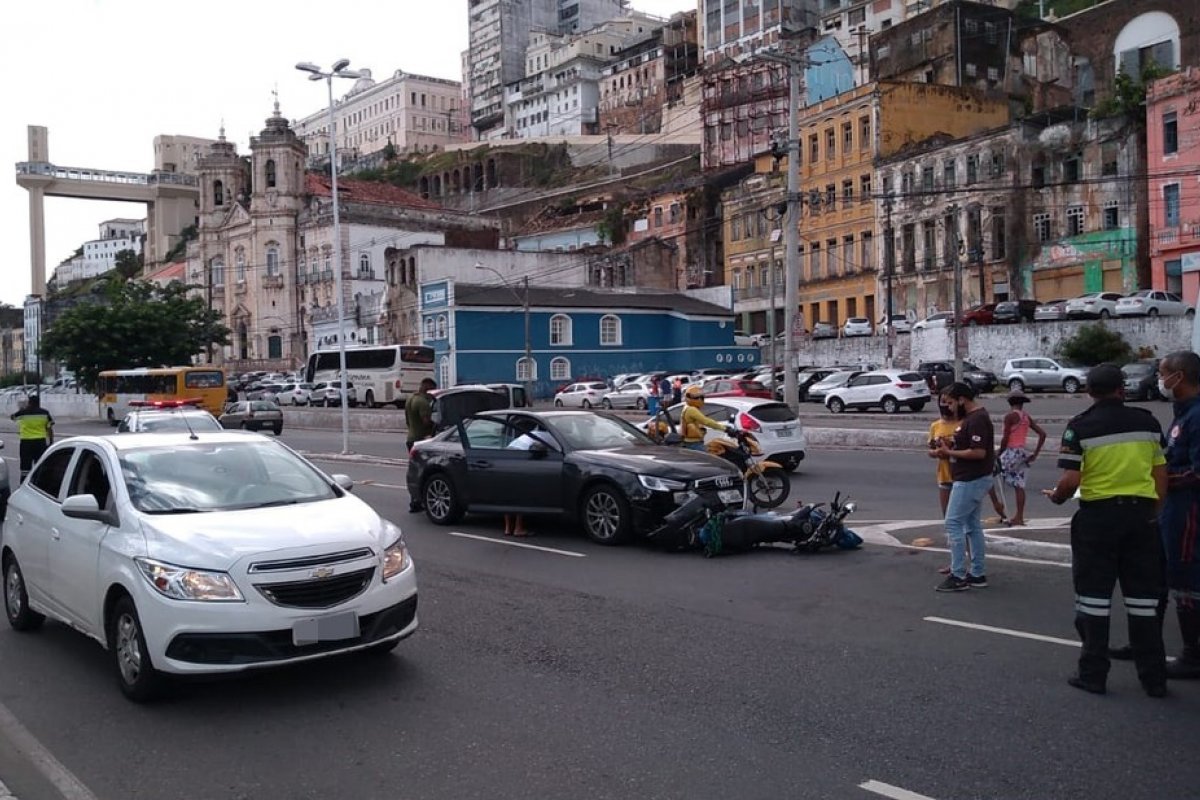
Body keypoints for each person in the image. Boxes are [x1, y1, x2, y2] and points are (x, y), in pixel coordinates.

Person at [1044, 363, 1167, 697]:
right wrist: (1153, 513)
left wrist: (1057, 497)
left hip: (1098, 520)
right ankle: (1154, 679)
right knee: (1144, 601)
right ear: (1121, 389)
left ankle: (1093, 675)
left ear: (1089, 391)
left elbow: (1071, 481)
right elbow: (1160, 476)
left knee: (1093, 599)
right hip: (1141, 519)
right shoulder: (1148, 422)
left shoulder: (1081, 427)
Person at [1154, 351, 1200, 680]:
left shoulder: (1197, 416)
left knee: (1185, 577)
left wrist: (1163, 480)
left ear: (1178, 377)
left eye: (1162, 373)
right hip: (1173, 508)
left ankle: (1192, 653)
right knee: (1166, 571)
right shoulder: (1182, 412)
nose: (1160, 380)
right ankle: (1147, 640)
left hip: (1189, 510)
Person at [931, 382, 995, 592]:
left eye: (950, 402)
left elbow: (978, 453)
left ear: (961, 399)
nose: (948, 407)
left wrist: (950, 453)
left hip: (970, 479)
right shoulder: (971, 419)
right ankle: (977, 573)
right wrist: (948, 448)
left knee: (953, 523)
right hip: (971, 477)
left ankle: (958, 575)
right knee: (972, 526)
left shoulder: (976, 419)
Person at [997, 389, 1047, 527]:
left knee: (990, 474)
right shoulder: (1025, 417)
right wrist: (1035, 454)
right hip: (1022, 452)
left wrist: (998, 453)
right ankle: (1019, 516)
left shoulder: (1010, 417)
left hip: (1011, 451)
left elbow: (1006, 438)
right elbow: (1042, 434)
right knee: (1019, 485)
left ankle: (999, 509)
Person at [11, 394, 54, 482]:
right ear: (39, 403)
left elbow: (12, 417)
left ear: (29, 403)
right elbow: (49, 428)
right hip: (40, 442)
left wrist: (22, 409)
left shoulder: (23, 413)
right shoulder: (45, 413)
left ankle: (23, 483)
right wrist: (51, 442)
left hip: (26, 442)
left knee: (25, 467)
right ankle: (38, 483)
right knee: (39, 465)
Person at [680, 385, 734, 451]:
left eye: (701, 397)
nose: (700, 399)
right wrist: (724, 428)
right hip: (693, 444)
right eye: (696, 397)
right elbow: (706, 421)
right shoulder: (691, 409)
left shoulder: (687, 407)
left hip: (692, 442)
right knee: (713, 457)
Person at [404, 378, 437, 450]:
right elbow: (426, 422)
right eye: (433, 390)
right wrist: (436, 426)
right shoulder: (423, 402)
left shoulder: (411, 398)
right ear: (428, 388)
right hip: (420, 440)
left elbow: (407, 420)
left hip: (410, 438)